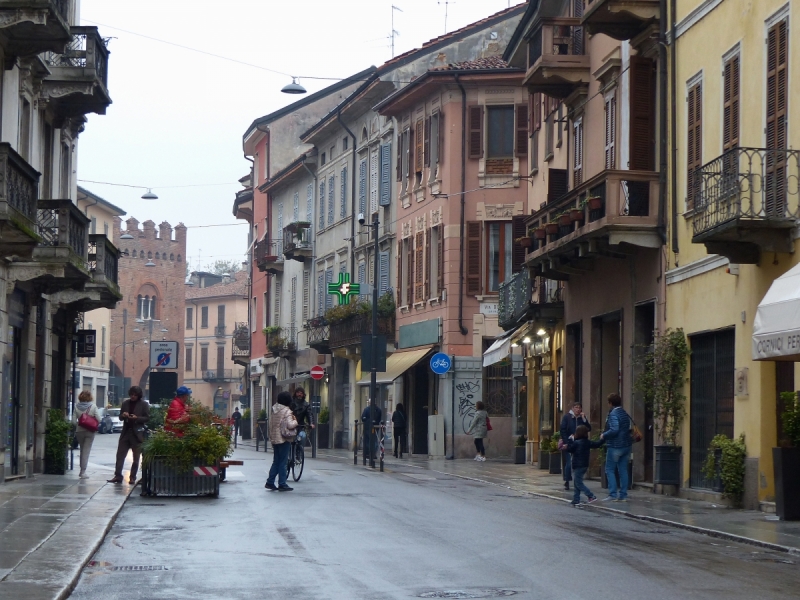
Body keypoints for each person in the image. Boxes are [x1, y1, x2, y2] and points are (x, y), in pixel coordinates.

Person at [108, 386, 150, 485]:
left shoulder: (144, 404)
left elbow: (147, 418)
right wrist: (123, 415)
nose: (133, 396)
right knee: (120, 455)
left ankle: (132, 477)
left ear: (138, 395)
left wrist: (136, 418)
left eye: (135, 395)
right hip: (126, 432)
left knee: (136, 458)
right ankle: (118, 475)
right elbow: (120, 417)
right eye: (131, 394)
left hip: (137, 434)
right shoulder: (125, 403)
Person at [600, 393, 633, 502]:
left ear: (610, 403)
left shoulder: (613, 414)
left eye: (608, 402)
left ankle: (612, 494)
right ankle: (623, 494)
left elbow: (614, 429)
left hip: (615, 445)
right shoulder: (624, 413)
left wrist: (604, 435)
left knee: (609, 469)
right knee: (623, 469)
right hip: (626, 445)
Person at [563, 425, 604, 505]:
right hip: (584, 465)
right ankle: (576, 499)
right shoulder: (587, 442)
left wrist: (569, 441)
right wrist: (602, 439)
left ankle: (591, 496)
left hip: (577, 465)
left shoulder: (576, 443)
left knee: (578, 483)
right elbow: (597, 444)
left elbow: (570, 449)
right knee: (576, 482)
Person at [265, 391, 297, 491]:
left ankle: (270, 482)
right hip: (284, 438)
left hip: (275, 438)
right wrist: (296, 421)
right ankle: (282, 483)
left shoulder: (274, 410)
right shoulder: (287, 411)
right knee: (283, 462)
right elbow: (290, 425)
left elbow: (271, 424)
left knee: (276, 461)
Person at [559, 402, 592, 491]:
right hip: (569, 442)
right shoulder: (567, 417)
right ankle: (567, 480)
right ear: (573, 408)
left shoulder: (582, 418)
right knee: (569, 462)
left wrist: (584, 420)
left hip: (580, 443)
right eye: (576, 407)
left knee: (577, 463)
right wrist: (566, 442)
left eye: (579, 408)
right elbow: (563, 430)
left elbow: (589, 428)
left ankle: (577, 481)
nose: (578, 409)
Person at [73, 391, 100, 479]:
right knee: (86, 451)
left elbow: (73, 422)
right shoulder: (93, 406)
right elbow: (99, 419)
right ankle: (83, 471)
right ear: (90, 397)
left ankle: (82, 470)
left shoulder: (76, 407)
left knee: (82, 450)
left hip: (79, 431)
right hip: (90, 431)